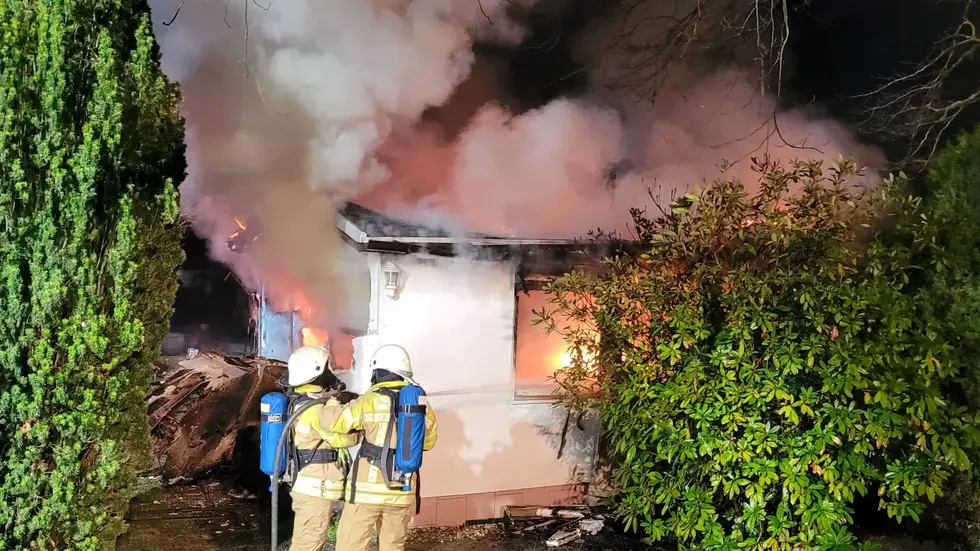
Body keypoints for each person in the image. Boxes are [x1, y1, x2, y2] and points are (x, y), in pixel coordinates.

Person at [332, 344, 438, 551]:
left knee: (351, 545)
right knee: (393, 546)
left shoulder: (369, 400)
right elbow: (429, 442)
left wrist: (334, 403)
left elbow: (336, 423)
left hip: (366, 491)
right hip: (402, 489)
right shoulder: (421, 404)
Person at [285, 345, 360, 551]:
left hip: (309, 486)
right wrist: (361, 427)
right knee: (308, 544)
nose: (331, 372)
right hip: (315, 489)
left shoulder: (300, 403)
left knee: (308, 542)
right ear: (318, 371)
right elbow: (343, 439)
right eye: (328, 367)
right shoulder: (315, 410)